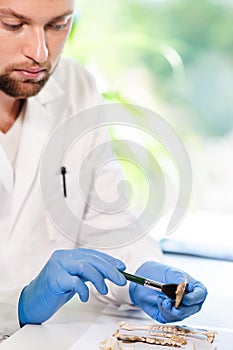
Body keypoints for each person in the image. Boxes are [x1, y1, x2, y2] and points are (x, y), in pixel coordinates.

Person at [0, 0, 207, 339]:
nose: (39, 52)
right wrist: (19, 304)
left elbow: (106, 222)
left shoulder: (74, 85)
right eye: (12, 25)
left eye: (57, 25)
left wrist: (143, 275)